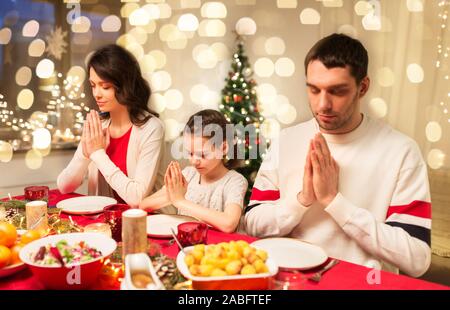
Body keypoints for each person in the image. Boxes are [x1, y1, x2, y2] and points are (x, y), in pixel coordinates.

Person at [245, 33, 431, 277]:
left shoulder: (401, 151)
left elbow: (417, 259)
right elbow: (252, 225)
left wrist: (335, 202)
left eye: (337, 91)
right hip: (287, 281)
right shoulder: (286, 141)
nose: (323, 104)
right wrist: (301, 200)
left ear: (362, 87)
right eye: (314, 89)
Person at [57, 44, 165, 208]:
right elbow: (64, 186)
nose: (96, 94)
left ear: (125, 85)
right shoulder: (98, 125)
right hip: (102, 223)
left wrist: (98, 154)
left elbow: (136, 198)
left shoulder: (151, 128)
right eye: (93, 85)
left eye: (105, 86)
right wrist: (85, 155)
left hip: (143, 224)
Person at [139, 109, 248, 233]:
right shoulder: (188, 174)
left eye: (203, 154)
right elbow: (144, 205)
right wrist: (172, 196)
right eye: (190, 153)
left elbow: (228, 224)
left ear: (223, 148)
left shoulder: (235, 181)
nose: (194, 161)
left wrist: (180, 201)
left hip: (216, 249)